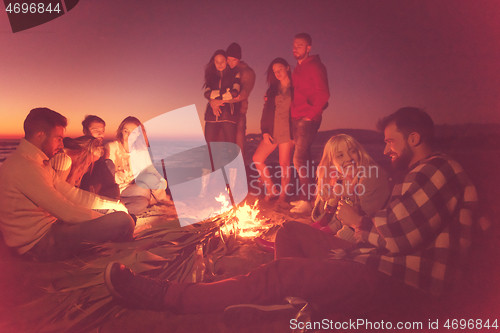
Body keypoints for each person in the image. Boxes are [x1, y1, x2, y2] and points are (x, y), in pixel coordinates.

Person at [103, 107, 477, 318]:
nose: (386, 149)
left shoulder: (437, 169)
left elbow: (393, 237)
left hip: (393, 283)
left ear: (415, 138)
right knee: (290, 234)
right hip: (370, 259)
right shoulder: (419, 175)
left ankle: (169, 296)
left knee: (281, 272)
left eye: (391, 142)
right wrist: (347, 223)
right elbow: (383, 227)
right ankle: (294, 306)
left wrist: (358, 223)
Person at [0, 108, 135, 261]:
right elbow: (67, 211)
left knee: (118, 214)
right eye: (58, 138)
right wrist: (107, 219)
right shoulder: (23, 167)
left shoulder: (37, 163)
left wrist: (114, 205)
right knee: (123, 222)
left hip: (53, 228)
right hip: (39, 244)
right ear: (40, 136)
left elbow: (72, 194)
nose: (61, 143)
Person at [310, 134, 390, 241]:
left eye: (352, 151)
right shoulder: (344, 179)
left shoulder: (371, 175)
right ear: (331, 163)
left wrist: (333, 240)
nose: (349, 158)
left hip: (370, 240)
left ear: (359, 153)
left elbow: (367, 225)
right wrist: (327, 200)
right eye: (340, 155)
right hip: (353, 237)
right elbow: (326, 221)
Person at [289, 33, 330, 214]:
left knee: (298, 159)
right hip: (297, 117)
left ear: (308, 48)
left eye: (299, 45)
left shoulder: (315, 65)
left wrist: (310, 115)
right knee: (303, 159)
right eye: (294, 45)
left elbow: (324, 93)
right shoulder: (297, 69)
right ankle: (308, 198)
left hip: (307, 118)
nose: (295, 48)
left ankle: (306, 201)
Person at [105, 116, 170, 215]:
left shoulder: (141, 151)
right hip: (116, 189)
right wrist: (115, 175)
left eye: (134, 132)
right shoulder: (111, 147)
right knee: (145, 191)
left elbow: (151, 170)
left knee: (147, 184)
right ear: (121, 131)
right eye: (126, 131)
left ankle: (161, 200)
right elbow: (103, 171)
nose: (130, 135)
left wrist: (160, 181)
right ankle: (161, 200)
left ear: (139, 134)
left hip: (133, 187)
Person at [199, 50, 241, 197]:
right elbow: (207, 94)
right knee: (209, 150)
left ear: (227, 61)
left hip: (228, 115)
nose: (220, 64)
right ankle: (204, 189)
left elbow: (235, 92)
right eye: (216, 61)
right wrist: (215, 101)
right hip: (211, 115)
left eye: (222, 61)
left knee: (231, 149)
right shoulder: (211, 77)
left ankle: (233, 187)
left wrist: (217, 100)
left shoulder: (235, 74)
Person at [252, 58, 294, 202]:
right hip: (272, 130)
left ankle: (282, 196)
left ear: (287, 68)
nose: (277, 73)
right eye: (275, 71)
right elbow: (266, 112)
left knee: (284, 164)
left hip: (288, 131)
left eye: (280, 69)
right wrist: (264, 131)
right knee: (257, 158)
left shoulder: (296, 87)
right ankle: (271, 188)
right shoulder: (272, 90)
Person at [210, 43, 255, 161]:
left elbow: (243, 93)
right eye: (228, 59)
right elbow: (216, 90)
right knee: (219, 146)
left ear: (239, 58)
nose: (230, 63)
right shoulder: (226, 71)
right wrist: (213, 101)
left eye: (233, 60)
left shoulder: (247, 72)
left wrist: (218, 101)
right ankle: (219, 175)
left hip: (239, 113)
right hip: (224, 113)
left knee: (237, 147)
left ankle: (240, 176)